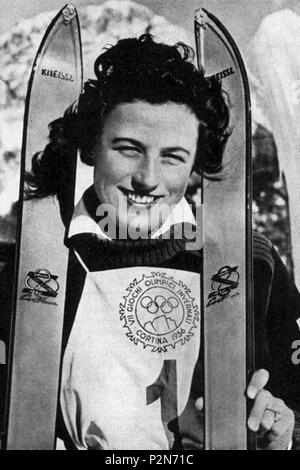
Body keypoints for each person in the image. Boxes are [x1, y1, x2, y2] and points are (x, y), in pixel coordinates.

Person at [2, 34, 300, 450]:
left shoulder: (252, 266)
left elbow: (294, 410)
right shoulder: (29, 275)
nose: (148, 178)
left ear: (197, 164)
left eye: (174, 156)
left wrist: (281, 437)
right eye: (128, 149)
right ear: (90, 148)